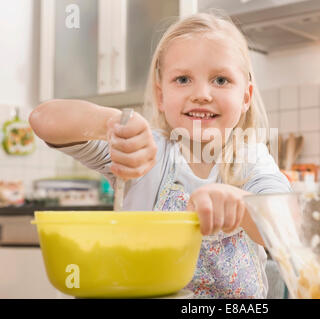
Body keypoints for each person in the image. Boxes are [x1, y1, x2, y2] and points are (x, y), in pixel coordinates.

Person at [29, 12, 291, 298]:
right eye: (182, 79)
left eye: (220, 79)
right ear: (161, 95)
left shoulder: (251, 160)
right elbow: (43, 120)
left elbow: (287, 226)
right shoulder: (141, 152)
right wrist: (110, 124)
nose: (202, 93)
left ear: (245, 97)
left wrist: (240, 204)